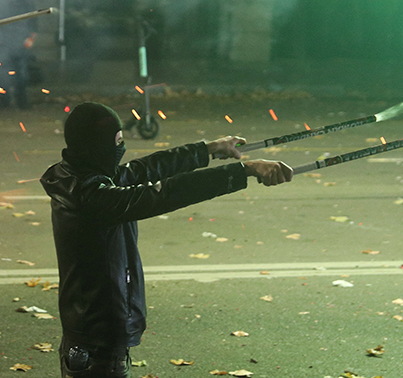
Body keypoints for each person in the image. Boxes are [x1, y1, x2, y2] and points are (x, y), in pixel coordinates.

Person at [40, 102, 293, 377]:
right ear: (97, 145)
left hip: (92, 335)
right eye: (117, 142)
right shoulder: (93, 197)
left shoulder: (80, 176)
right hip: (97, 343)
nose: (121, 148)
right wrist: (243, 171)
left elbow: (144, 170)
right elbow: (163, 194)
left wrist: (206, 150)